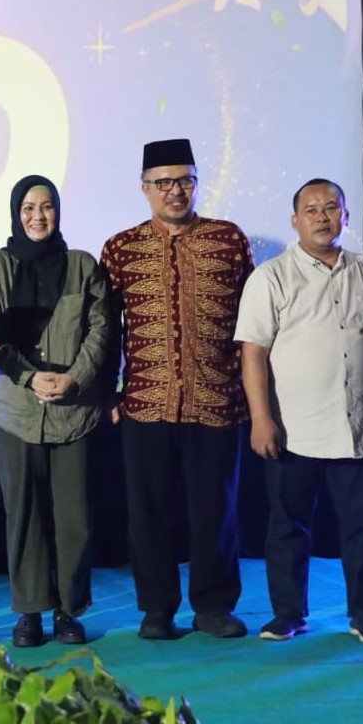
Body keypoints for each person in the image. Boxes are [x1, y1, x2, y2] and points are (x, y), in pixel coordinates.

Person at [234, 177, 363, 644]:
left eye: (331, 208)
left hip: (360, 424)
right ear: (295, 221)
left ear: (346, 216)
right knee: (288, 527)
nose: (322, 217)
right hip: (294, 427)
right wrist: (261, 419)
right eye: (311, 210)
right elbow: (253, 354)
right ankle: (288, 614)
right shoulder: (271, 277)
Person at [99, 139, 253, 640]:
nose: (175, 191)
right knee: (149, 514)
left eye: (185, 180)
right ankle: (157, 610)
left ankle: (214, 607)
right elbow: (106, 329)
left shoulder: (229, 239)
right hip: (146, 403)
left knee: (216, 511)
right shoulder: (120, 249)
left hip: (217, 401)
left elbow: (251, 323)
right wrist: (110, 394)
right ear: (145, 188)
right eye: (164, 182)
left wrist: (244, 387)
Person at [0, 175, 113, 647]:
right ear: (17, 213)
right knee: (24, 514)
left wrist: (75, 377)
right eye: (29, 208)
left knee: (74, 517)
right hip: (16, 410)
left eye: (47, 206)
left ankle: (69, 611)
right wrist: (28, 376)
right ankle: (30, 612)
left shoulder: (83, 265)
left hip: (75, 409)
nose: (38, 216)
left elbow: (101, 329)